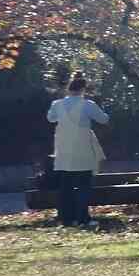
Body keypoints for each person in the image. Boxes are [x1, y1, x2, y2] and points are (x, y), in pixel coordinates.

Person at [46, 75, 110, 229]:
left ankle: (66, 219)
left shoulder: (57, 104)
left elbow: (50, 119)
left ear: (68, 88)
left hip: (63, 150)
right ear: (83, 89)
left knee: (65, 187)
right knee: (83, 186)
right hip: (82, 150)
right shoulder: (88, 104)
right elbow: (104, 119)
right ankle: (83, 219)